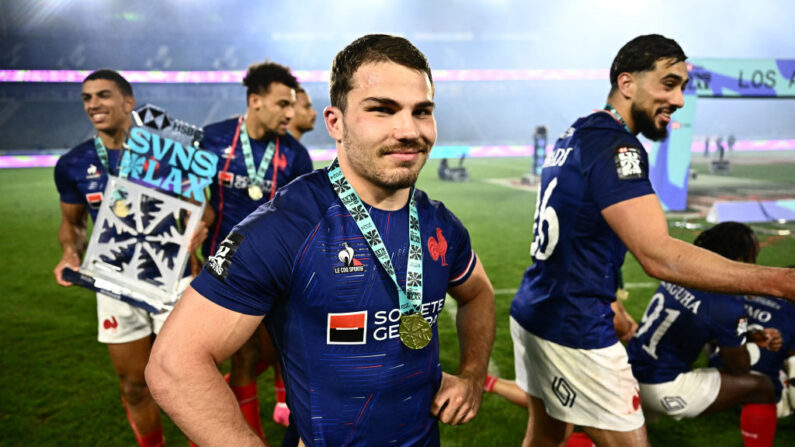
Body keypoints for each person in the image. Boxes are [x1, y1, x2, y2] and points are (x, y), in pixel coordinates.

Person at [146, 34, 496, 446]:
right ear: (335, 122)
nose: (408, 129)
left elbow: (478, 294)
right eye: (381, 110)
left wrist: (473, 376)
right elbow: (174, 365)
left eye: (422, 112)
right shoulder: (286, 227)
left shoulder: (441, 225)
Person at [509, 34, 795, 447]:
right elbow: (659, 255)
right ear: (627, 83)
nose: (678, 99)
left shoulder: (577, 133)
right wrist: (779, 282)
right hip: (576, 327)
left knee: (546, 435)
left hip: (536, 308)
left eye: (681, 87)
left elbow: (580, 235)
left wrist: (612, 299)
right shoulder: (616, 146)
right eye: (668, 83)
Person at [53, 69, 204, 447]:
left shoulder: (169, 153)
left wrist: (199, 226)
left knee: (190, 382)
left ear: (129, 102)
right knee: (135, 385)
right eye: (87, 98)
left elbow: (201, 207)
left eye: (103, 95)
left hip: (173, 278)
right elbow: (71, 224)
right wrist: (69, 252)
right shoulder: (74, 163)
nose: (93, 104)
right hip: (113, 282)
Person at [200, 61, 314, 437]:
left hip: (278, 272)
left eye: (292, 105)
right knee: (243, 357)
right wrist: (197, 220)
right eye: (282, 104)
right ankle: (252, 437)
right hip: (223, 268)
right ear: (255, 101)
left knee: (279, 353)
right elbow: (190, 199)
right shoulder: (212, 140)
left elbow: (300, 218)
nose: (290, 113)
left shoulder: (295, 155)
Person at [627, 222, 780, 446]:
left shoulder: (683, 270)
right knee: (763, 387)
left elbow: (699, 320)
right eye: (751, 255)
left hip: (629, 373)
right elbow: (738, 367)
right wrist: (751, 348)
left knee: (614, 436)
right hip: (661, 386)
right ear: (738, 259)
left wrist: (749, 333)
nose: (754, 262)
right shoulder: (725, 301)